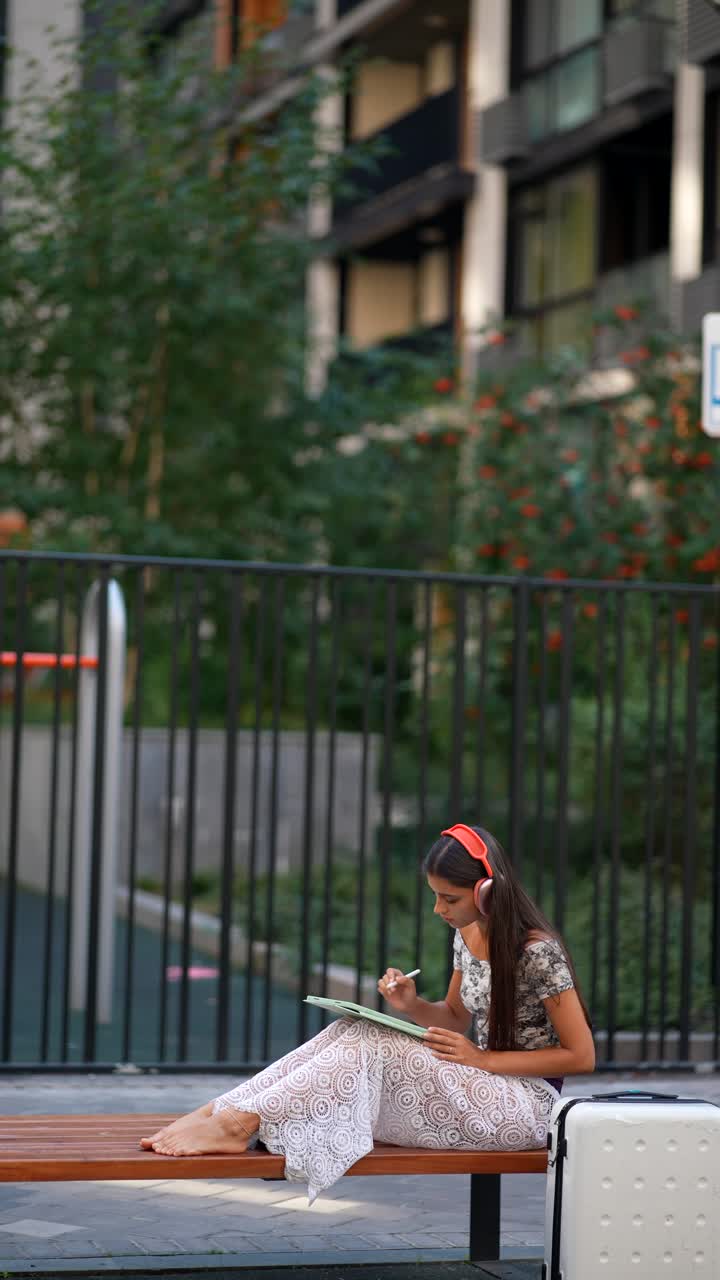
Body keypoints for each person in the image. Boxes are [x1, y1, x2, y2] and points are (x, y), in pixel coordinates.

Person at [140, 823, 595, 1201]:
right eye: (435, 896)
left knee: (371, 1041)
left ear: (487, 891)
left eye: (450, 899)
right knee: (355, 1025)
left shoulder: (539, 952)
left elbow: (581, 1057)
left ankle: (234, 1123)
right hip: (481, 1083)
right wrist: (411, 1005)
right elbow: (454, 1018)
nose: (439, 909)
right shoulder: (468, 936)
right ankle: (224, 1112)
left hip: (526, 1107)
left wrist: (482, 1060)